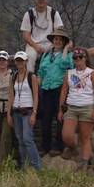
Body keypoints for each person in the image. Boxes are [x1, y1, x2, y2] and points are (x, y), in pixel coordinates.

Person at [57, 47, 94, 172]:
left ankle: (84, 163)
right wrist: (61, 109)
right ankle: (74, 148)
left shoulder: (92, 73)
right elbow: (64, 92)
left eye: (80, 57)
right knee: (67, 135)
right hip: (72, 107)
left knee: (85, 136)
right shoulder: (69, 73)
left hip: (87, 107)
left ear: (85, 58)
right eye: (75, 58)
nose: (78, 60)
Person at [36, 28, 72, 156]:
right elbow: (40, 72)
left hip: (59, 89)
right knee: (46, 119)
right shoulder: (46, 55)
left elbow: (64, 65)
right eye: (55, 39)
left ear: (64, 42)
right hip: (46, 89)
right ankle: (45, 146)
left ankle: (58, 146)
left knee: (60, 117)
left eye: (60, 40)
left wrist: (67, 49)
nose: (57, 41)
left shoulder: (68, 56)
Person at [7, 51, 41, 170]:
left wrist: (34, 113)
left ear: (26, 61)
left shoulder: (32, 76)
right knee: (20, 139)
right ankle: (24, 166)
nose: (19, 63)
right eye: (17, 60)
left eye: (22, 60)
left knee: (27, 138)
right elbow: (11, 95)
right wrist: (9, 114)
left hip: (28, 111)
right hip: (16, 111)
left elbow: (36, 95)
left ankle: (37, 167)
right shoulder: (14, 76)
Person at [20, 0, 64, 75]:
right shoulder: (29, 14)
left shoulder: (53, 13)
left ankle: (54, 79)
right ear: (35, 0)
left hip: (51, 43)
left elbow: (59, 31)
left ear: (46, 0)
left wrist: (53, 45)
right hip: (33, 44)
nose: (41, 1)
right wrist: (35, 46)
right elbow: (26, 35)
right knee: (30, 58)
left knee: (57, 57)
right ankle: (30, 80)